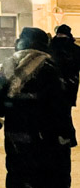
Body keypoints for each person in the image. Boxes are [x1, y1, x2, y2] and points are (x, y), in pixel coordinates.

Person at [0, 27, 64, 188]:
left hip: (16, 136)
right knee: (43, 178)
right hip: (45, 136)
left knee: (17, 176)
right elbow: (60, 108)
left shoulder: (8, 67)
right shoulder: (51, 68)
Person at [50, 24, 80, 187]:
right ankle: (68, 137)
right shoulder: (75, 49)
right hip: (69, 87)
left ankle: (60, 134)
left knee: (54, 111)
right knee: (65, 111)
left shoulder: (50, 46)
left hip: (52, 87)